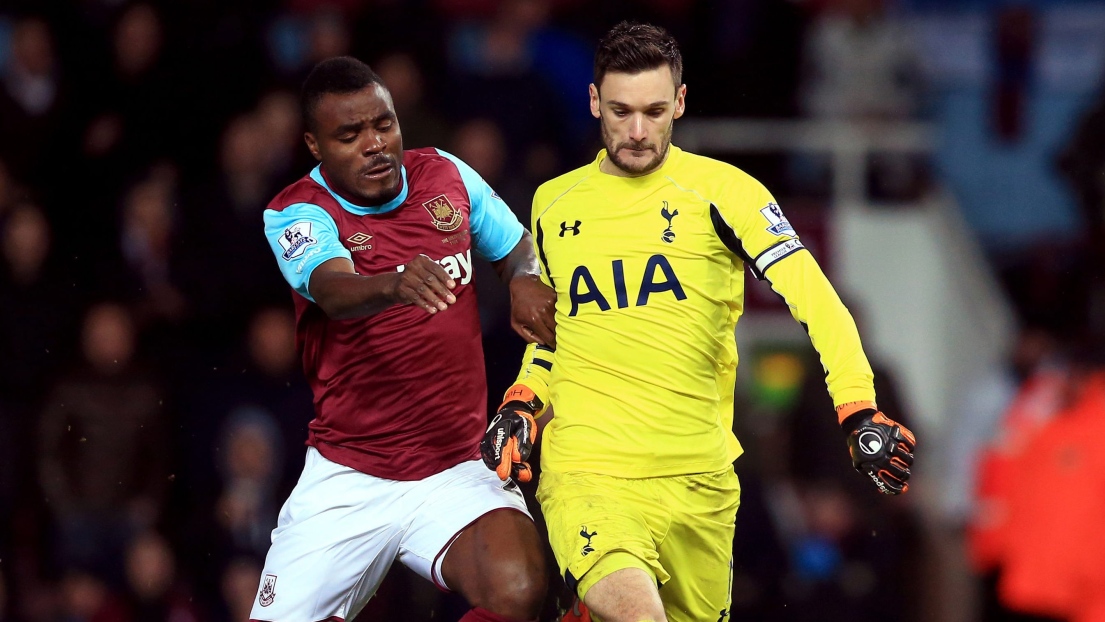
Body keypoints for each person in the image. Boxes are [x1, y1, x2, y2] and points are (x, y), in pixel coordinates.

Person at [479, 22, 917, 622]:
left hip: (700, 483)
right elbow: (557, 337)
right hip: (588, 471)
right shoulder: (554, 202)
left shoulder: (725, 193)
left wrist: (857, 407)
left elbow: (816, 300)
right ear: (593, 101)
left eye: (655, 111)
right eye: (621, 111)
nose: (637, 131)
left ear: (680, 103)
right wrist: (524, 402)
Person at [253, 56, 555, 622]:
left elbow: (517, 248)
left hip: (456, 466)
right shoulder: (297, 212)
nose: (375, 145)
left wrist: (522, 280)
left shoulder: (446, 174)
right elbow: (332, 288)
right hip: (350, 474)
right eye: (350, 135)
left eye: (383, 125)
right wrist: (393, 284)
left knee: (519, 589)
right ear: (315, 146)